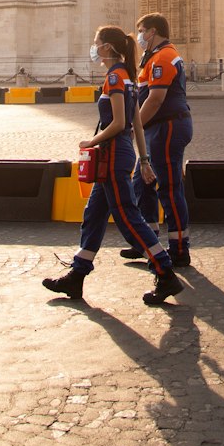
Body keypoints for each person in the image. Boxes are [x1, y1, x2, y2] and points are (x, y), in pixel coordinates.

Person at [42, 25, 184, 306]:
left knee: (128, 217)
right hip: (119, 155)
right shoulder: (128, 77)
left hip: (112, 156)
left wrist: (90, 141)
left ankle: (164, 270)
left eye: (96, 43)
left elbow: (120, 124)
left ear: (106, 47)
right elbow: (137, 125)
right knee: (93, 215)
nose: (93, 48)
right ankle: (77, 275)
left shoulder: (115, 78)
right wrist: (143, 160)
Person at [119, 12, 193, 268]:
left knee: (169, 187)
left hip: (167, 127)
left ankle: (180, 248)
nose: (139, 36)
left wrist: (132, 126)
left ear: (152, 31)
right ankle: (147, 243)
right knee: (142, 183)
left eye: (141, 31)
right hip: (157, 128)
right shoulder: (152, 56)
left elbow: (155, 99)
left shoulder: (163, 56)